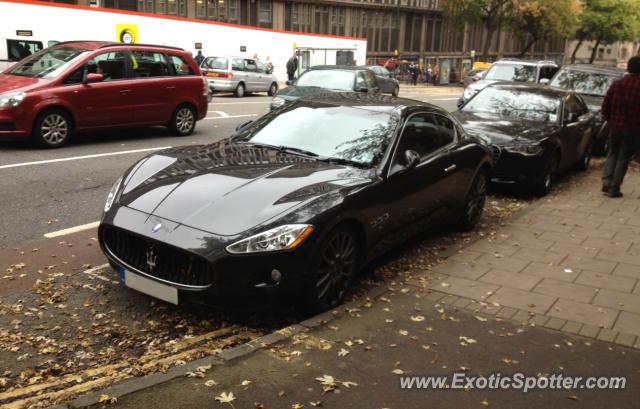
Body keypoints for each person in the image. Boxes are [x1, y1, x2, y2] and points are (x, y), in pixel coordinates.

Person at [600, 55, 640, 198]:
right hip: (633, 130)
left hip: (615, 127)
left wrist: (611, 120)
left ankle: (606, 181)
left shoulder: (617, 84)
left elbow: (605, 107)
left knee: (612, 153)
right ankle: (614, 188)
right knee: (623, 158)